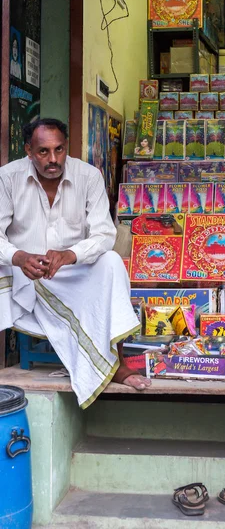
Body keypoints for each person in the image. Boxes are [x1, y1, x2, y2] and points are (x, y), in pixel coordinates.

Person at [0, 118, 151, 408]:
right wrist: (19, 257)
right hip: (26, 272)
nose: (53, 159)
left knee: (110, 261)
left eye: (59, 150)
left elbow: (104, 233)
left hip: (74, 271)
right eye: (43, 152)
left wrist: (70, 255)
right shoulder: (8, 177)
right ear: (28, 150)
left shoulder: (88, 176)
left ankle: (115, 363)